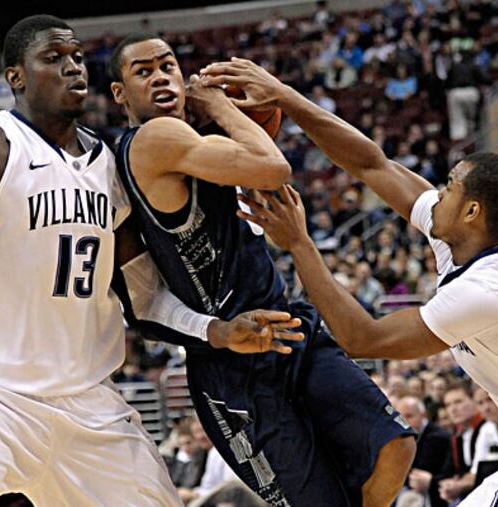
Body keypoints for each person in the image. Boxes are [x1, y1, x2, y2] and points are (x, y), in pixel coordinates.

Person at [0, 16, 298, 506]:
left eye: (77, 57)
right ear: (15, 77)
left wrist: (217, 330)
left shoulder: (111, 166)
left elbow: (144, 297)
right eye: (53, 58)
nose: (72, 68)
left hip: (90, 404)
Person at [200, 56, 498, 506]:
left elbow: (362, 337)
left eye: (450, 187)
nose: (439, 192)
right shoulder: (469, 239)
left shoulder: (488, 292)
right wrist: (285, 96)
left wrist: (299, 244)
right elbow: (373, 164)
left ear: (473, 212)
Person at [109, 34, 416, 506]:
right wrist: (221, 106)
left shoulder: (197, 144)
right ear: (119, 94)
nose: (160, 77)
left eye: (167, 66)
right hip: (234, 371)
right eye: (143, 72)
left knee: (394, 446)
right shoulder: (154, 137)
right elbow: (273, 168)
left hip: (285, 323)